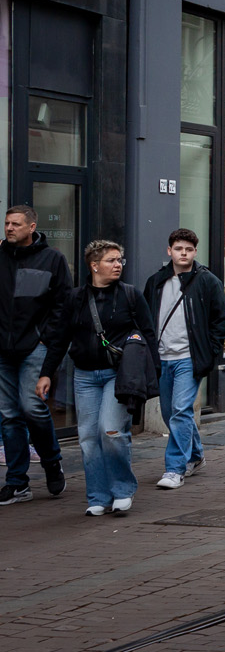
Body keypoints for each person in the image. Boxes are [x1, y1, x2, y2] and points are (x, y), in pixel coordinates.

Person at [40, 241, 158, 516]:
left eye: (120, 260)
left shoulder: (130, 296)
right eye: (111, 260)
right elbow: (59, 340)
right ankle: (97, 496)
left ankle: (122, 490)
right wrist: (46, 373)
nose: (118, 265)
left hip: (118, 376)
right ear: (94, 265)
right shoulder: (75, 298)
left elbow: (148, 334)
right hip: (83, 376)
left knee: (111, 431)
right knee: (88, 438)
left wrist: (152, 375)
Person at [142, 228, 225, 490]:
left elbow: (220, 320)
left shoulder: (207, 281)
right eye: (179, 249)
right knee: (171, 414)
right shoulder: (156, 281)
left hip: (190, 357)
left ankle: (174, 468)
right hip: (162, 357)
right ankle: (195, 454)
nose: (183, 253)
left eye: (189, 249)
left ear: (195, 252)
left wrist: (210, 351)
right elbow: (146, 318)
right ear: (169, 251)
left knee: (180, 410)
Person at [0, 205, 72, 506]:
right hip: (3, 348)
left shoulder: (52, 259)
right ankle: (17, 483)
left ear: (32, 227)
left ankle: (51, 462)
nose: (9, 228)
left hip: (35, 346)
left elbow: (63, 305)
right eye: (6, 223)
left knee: (32, 407)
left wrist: (46, 338)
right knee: (8, 416)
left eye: (15, 224)